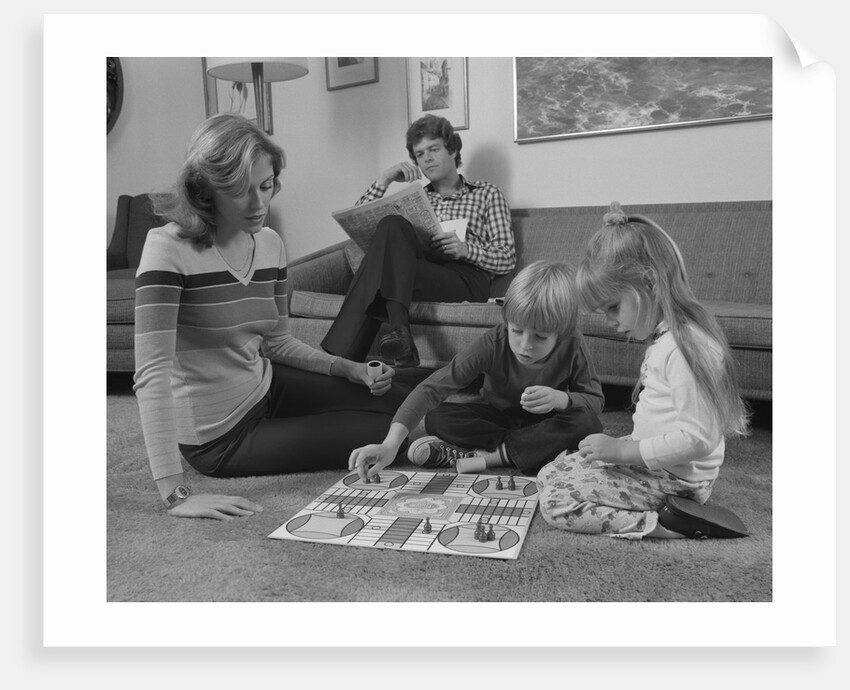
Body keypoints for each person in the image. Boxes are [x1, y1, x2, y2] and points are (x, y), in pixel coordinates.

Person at [134, 113, 411, 521]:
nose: (259, 203)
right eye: (240, 192)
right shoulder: (166, 249)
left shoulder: (270, 244)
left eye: (266, 187)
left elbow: (277, 341)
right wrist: (174, 493)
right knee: (386, 437)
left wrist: (348, 368)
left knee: (402, 404)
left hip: (266, 386)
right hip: (222, 438)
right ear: (204, 191)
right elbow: (152, 372)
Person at [536, 202, 750, 540]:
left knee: (555, 501)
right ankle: (659, 505)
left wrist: (622, 452)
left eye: (612, 307)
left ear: (649, 283)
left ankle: (667, 524)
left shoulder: (685, 347)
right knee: (551, 471)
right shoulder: (668, 338)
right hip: (658, 462)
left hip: (676, 480)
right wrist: (623, 449)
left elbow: (698, 439)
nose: (610, 321)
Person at [347, 260, 605, 481]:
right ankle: (530, 449)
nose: (525, 346)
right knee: (437, 416)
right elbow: (432, 387)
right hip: (498, 418)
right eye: (516, 331)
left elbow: (595, 401)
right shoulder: (493, 342)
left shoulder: (574, 343)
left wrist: (561, 399)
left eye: (540, 337)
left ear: (562, 334)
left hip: (546, 420)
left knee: (588, 423)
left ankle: (493, 457)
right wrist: (390, 445)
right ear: (506, 321)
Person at [320, 114, 516, 368]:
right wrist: (384, 180)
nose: (427, 158)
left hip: (466, 278)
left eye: (434, 149)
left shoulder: (486, 193)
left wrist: (465, 250)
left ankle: (336, 361)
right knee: (391, 224)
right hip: (419, 270)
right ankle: (400, 334)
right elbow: (357, 223)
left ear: (452, 150)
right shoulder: (415, 197)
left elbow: (507, 257)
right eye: (420, 154)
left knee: (377, 270)